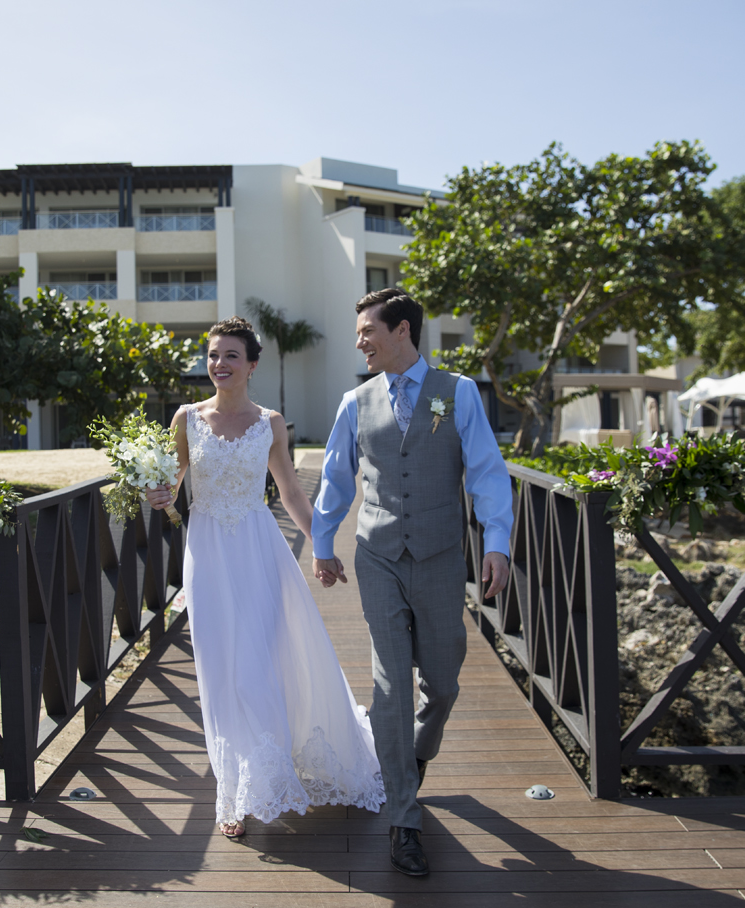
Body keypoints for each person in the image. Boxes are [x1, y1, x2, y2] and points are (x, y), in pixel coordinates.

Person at [146, 316, 384, 841]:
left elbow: (292, 493)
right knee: (219, 668)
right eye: (212, 355)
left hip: (259, 550)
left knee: (261, 660)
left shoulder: (271, 422)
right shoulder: (185, 419)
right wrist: (157, 496)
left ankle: (265, 773)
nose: (219, 364)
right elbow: (170, 483)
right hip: (207, 553)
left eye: (231, 355)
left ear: (252, 365)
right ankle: (232, 792)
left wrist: (321, 547)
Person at [311, 288, 513, 877]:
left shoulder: (460, 393)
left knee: (443, 681)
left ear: (402, 330)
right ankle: (404, 818)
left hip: (441, 556)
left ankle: (417, 751)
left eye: (368, 331)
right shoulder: (355, 400)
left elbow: (486, 471)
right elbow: (335, 478)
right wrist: (322, 544)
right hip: (376, 555)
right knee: (392, 686)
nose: (360, 342)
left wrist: (496, 541)